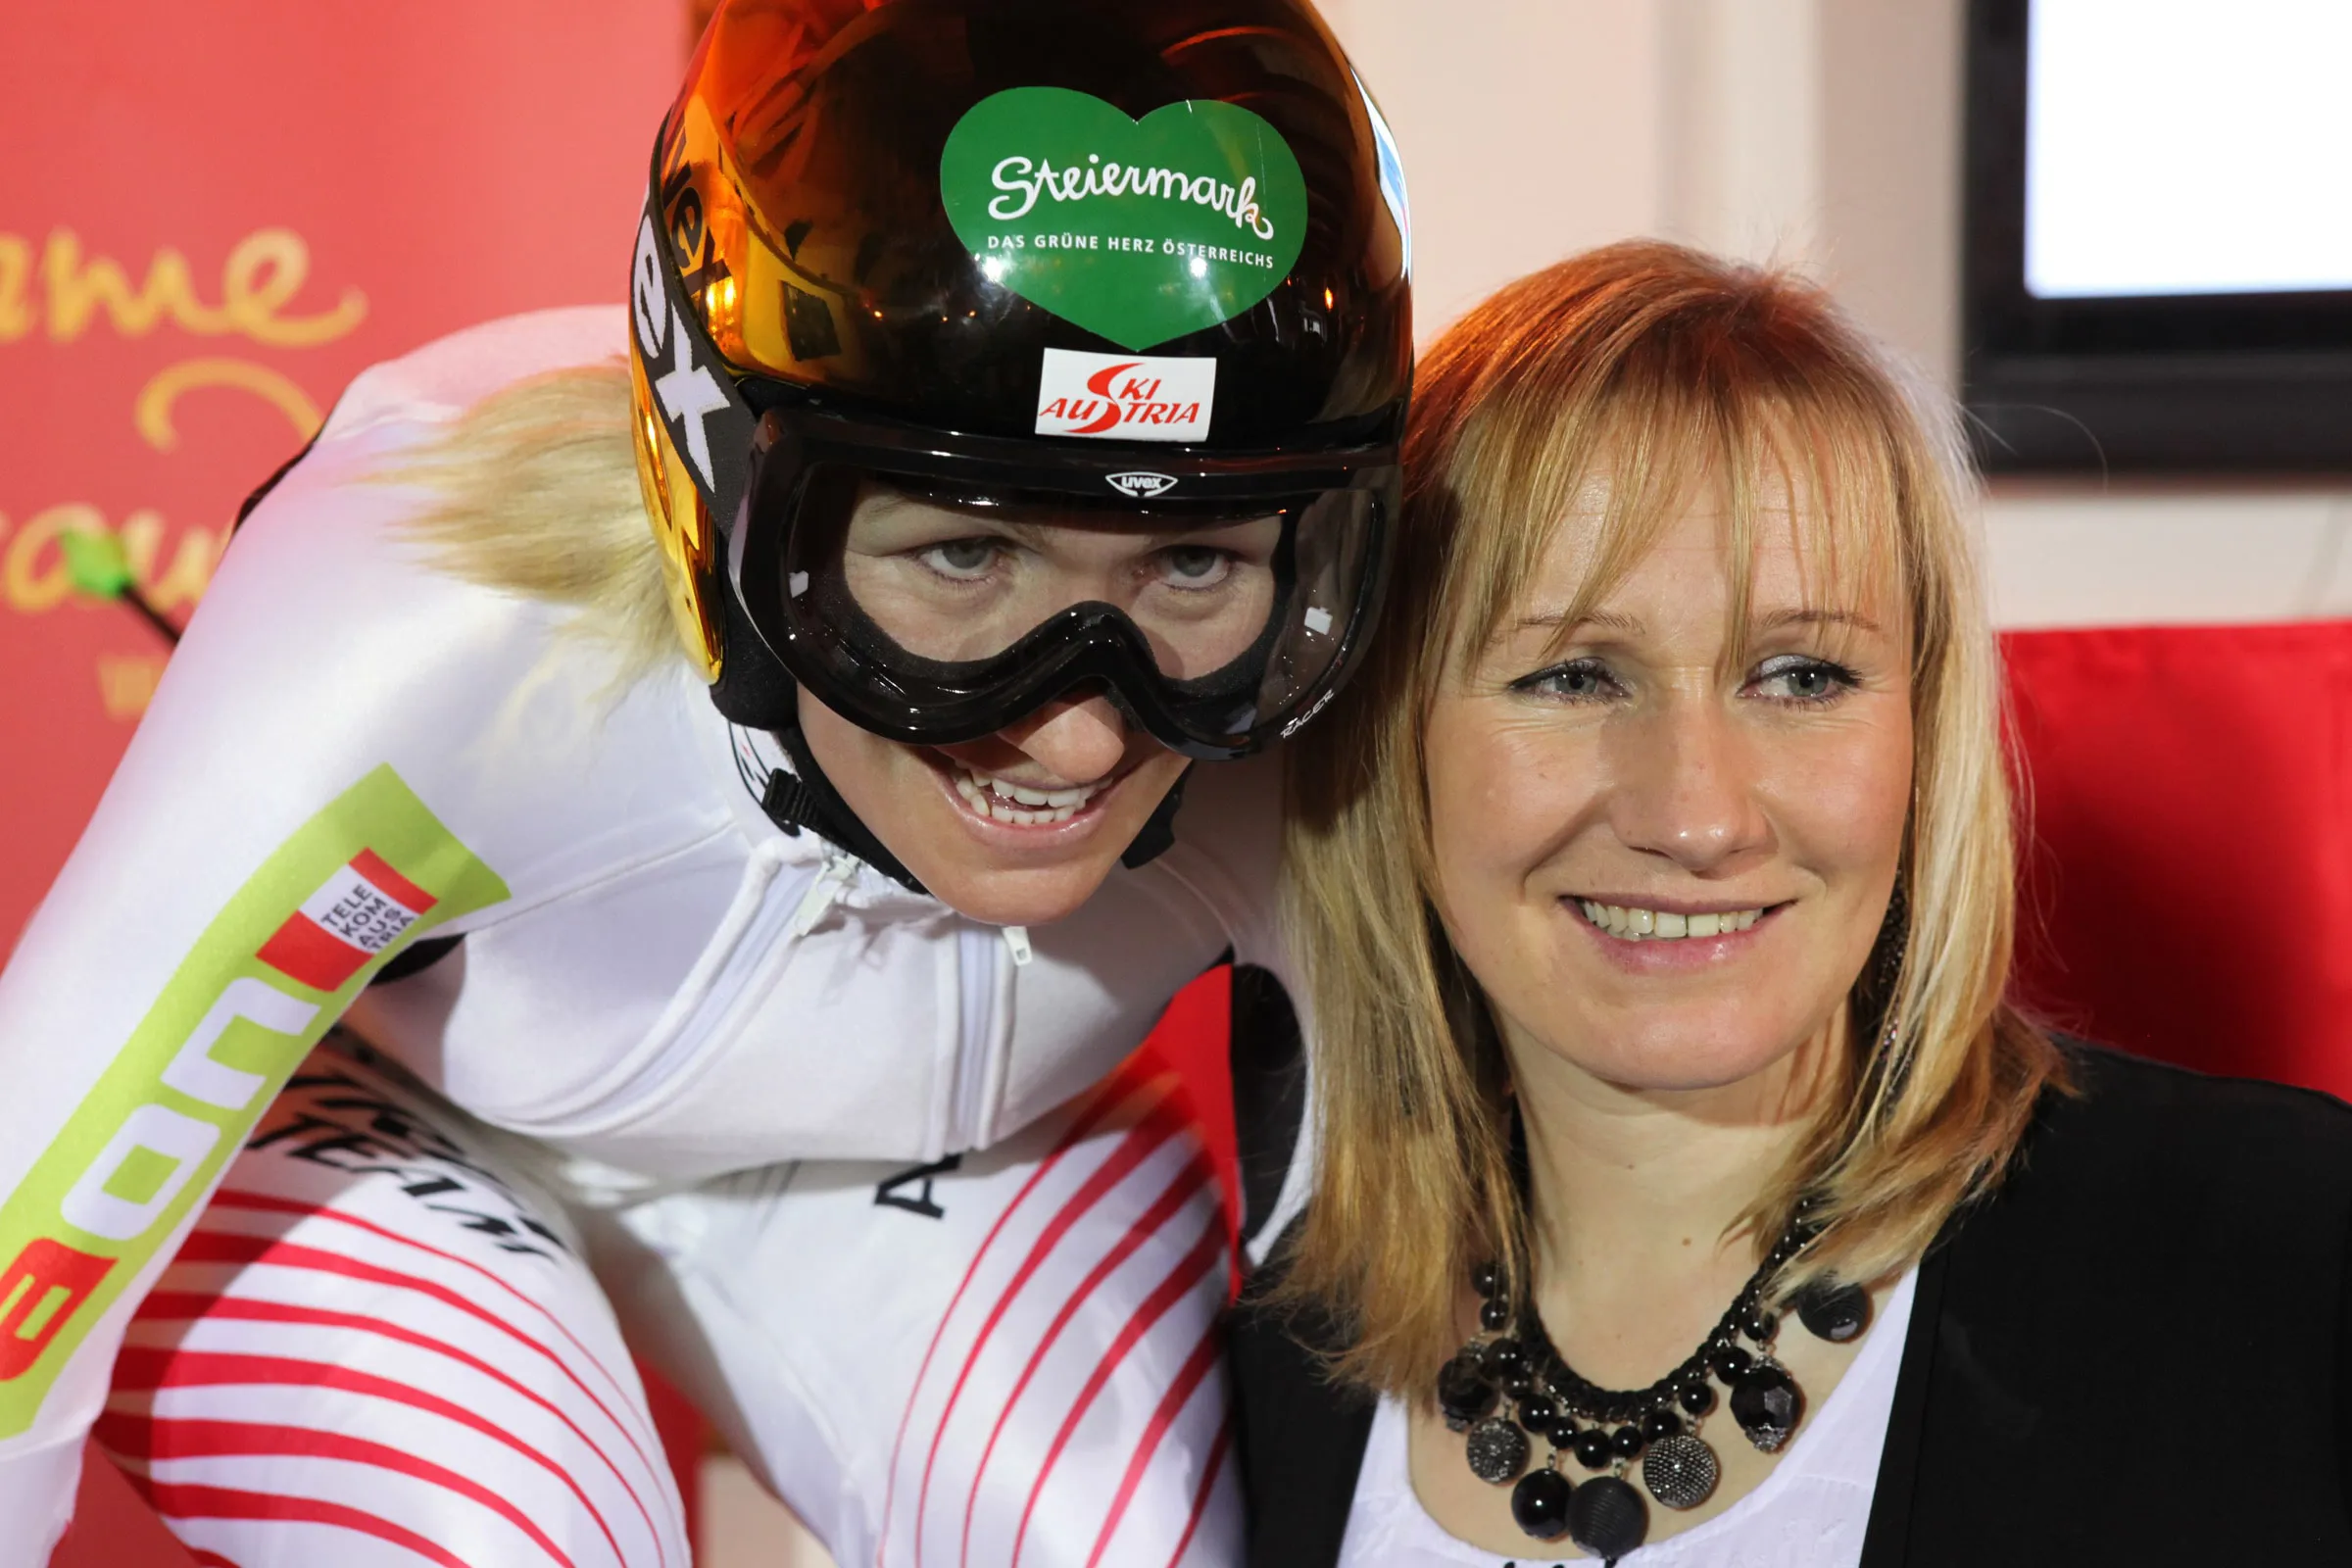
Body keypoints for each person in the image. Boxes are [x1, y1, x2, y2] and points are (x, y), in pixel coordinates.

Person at [0, 1, 1409, 1561]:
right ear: (719, 484)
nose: (1079, 735)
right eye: (960, 552)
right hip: (403, 1123)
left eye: (1195, 559)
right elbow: (28, 1217)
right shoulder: (428, 621)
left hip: (950, 1162)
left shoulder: (1340, 687)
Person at [1227, 240, 2352, 1566]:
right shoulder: (1246, 1371)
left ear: (1924, 739)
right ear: (1385, 742)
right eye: (1576, 679)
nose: (1698, 816)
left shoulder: (2287, 1263)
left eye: (1804, 677)